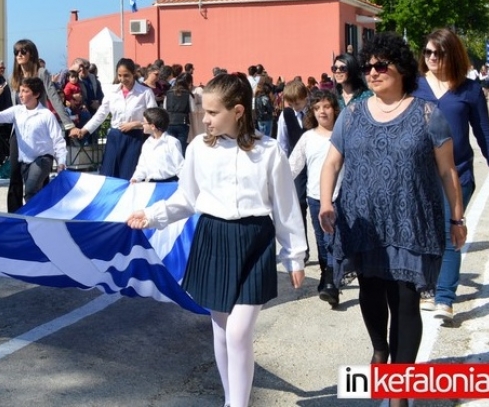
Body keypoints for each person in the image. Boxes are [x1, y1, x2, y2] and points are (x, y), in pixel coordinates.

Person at [127, 72, 306, 407]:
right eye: (203, 111)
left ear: (238, 111)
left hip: (255, 242)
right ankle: (231, 400)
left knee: (239, 332)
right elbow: (186, 199)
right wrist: (151, 216)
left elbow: (285, 207)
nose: (204, 119)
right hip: (213, 238)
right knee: (222, 332)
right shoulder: (198, 149)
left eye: (212, 112)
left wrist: (294, 256)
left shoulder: (269, 152)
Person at [319, 33, 464, 397]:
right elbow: (332, 162)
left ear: (400, 68)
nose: (372, 72)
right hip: (363, 220)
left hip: (410, 221)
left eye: (380, 66)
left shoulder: (428, 114)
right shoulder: (351, 114)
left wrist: (457, 219)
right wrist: (325, 202)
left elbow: (448, 172)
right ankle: (380, 349)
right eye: (367, 66)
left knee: (405, 299)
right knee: (370, 292)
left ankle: (400, 384)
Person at [414, 28, 489, 322]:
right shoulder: (414, 87)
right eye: (427, 52)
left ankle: (444, 297)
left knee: (450, 230)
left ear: (450, 54)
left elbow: (484, 131)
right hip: (421, 175)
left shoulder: (469, 90)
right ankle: (428, 286)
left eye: (437, 53)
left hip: (459, 173)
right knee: (426, 233)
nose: (431, 58)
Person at [6, 40, 73, 211]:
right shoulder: (13, 77)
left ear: (32, 53)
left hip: (39, 132)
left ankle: (42, 211)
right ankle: (14, 214)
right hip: (19, 132)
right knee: (15, 175)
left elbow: (54, 98)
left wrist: (68, 124)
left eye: (23, 51)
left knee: (39, 178)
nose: (19, 55)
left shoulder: (41, 73)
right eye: (16, 52)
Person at [0, 76, 66, 203]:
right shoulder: (17, 110)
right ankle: (42, 216)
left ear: (36, 94)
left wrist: (61, 162)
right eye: (20, 90)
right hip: (25, 160)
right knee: (37, 193)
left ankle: (31, 219)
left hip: (42, 159)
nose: (21, 94)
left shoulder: (47, 115)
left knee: (30, 190)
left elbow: (58, 139)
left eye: (25, 91)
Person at [288, 89, 341, 306]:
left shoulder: (342, 134)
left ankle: (331, 282)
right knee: (322, 241)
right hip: (315, 198)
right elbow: (291, 167)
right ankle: (327, 277)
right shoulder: (307, 138)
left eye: (326, 107)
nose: (322, 112)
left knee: (335, 241)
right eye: (317, 108)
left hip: (341, 197)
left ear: (334, 109)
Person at [70, 58, 157, 180]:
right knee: (109, 175)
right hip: (114, 137)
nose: (122, 79)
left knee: (128, 175)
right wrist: (84, 130)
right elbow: (101, 114)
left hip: (134, 139)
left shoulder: (145, 92)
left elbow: (155, 119)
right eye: (120, 75)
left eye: (126, 75)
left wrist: (136, 124)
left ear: (134, 73)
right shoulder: (112, 91)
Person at [276, 80, 310, 260]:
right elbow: (282, 143)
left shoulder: (313, 112)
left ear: (305, 98)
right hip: (297, 166)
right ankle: (303, 247)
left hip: (314, 163)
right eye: (291, 103)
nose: (295, 107)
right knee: (299, 205)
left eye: (298, 102)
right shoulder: (285, 116)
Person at [130, 107, 183, 183]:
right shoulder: (147, 144)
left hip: (170, 183)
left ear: (152, 126)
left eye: (144, 122)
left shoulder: (172, 142)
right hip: (152, 183)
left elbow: (180, 166)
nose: (142, 124)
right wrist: (135, 178)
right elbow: (142, 166)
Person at [163, 72, 195, 154]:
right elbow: (193, 109)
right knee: (181, 146)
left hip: (169, 121)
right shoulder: (188, 94)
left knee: (170, 146)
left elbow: (165, 108)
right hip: (182, 122)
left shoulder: (168, 93)